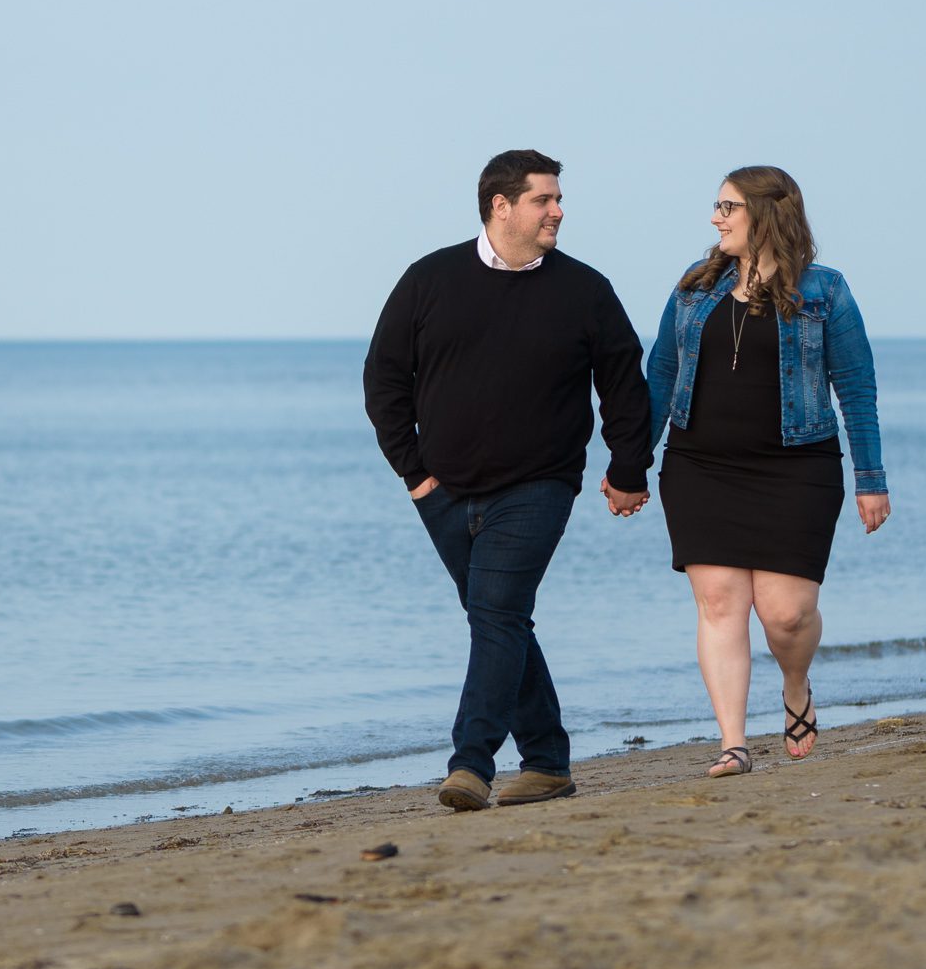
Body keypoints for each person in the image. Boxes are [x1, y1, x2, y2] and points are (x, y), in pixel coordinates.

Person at [365, 149, 653, 811]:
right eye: (543, 199)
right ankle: (548, 761)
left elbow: (624, 387)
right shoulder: (429, 279)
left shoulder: (584, 289)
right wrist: (414, 475)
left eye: (557, 199)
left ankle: (470, 763)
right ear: (502, 206)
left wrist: (627, 467)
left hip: (540, 484)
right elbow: (383, 380)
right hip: (442, 491)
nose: (557, 210)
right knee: (503, 620)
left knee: (495, 613)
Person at [644, 165, 891, 778]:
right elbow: (660, 378)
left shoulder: (825, 291)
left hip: (797, 466)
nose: (715, 218)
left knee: (786, 614)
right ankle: (733, 742)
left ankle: (797, 685)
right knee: (720, 602)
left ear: (766, 214)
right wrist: (629, 464)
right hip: (700, 465)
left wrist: (871, 478)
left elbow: (856, 386)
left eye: (727, 207)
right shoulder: (695, 289)